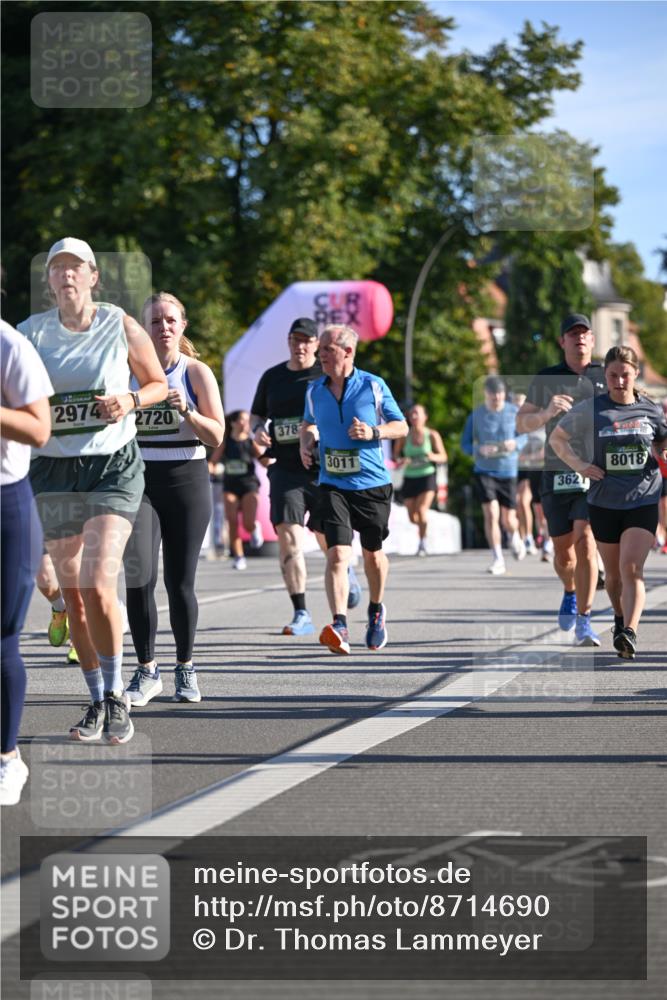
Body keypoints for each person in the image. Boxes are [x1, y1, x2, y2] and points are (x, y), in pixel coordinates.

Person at [18, 237, 168, 744]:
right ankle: (96, 696)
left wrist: (128, 399)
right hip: (54, 471)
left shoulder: (118, 323)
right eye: (57, 269)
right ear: (49, 280)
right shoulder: (30, 333)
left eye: (75, 268)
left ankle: (118, 696)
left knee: (100, 580)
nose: (66, 276)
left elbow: (158, 385)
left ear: (92, 276)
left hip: (113, 465)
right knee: (75, 597)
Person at [123, 292, 225, 706]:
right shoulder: (127, 372)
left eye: (170, 320)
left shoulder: (196, 372)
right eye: (154, 321)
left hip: (187, 477)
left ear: (182, 326)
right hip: (138, 478)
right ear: (143, 331)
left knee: (179, 581)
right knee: (139, 576)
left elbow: (217, 436)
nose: (162, 327)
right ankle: (147, 670)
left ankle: (185, 667)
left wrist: (188, 412)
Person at [550, 346, 667, 659]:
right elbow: (557, 440)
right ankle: (618, 619)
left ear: (635, 374)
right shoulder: (592, 409)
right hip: (604, 502)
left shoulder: (651, 409)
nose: (619, 380)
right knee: (613, 577)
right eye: (613, 375)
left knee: (632, 568)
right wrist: (580, 466)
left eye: (625, 374)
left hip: (643, 498)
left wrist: (663, 452)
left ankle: (629, 630)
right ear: (606, 376)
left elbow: (662, 441)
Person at [251, 317, 362, 637]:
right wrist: (258, 430)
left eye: (306, 341)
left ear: (317, 345)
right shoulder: (272, 377)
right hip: (284, 469)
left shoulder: (325, 376)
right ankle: (301, 611)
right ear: (288, 342)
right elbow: (257, 414)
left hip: (323, 470)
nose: (299, 346)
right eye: (294, 340)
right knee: (288, 538)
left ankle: (345, 568)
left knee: (326, 539)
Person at [300, 323, 407, 654]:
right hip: (333, 483)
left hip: (372, 485)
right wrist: (306, 442)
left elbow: (400, 425)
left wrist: (374, 432)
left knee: (373, 554)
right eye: (320, 352)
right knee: (337, 554)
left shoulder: (373, 386)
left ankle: (376, 610)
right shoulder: (315, 390)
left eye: (327, 351)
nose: (321, 357)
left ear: (348, 352)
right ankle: (340, 624)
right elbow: (308, 423)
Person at [516, 314, 607, 645]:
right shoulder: (547, 378)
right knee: (563, 554)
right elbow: (521, 423)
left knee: (586, 541)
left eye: (585, 333)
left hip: (595, 473)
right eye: (573, 334)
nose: (579, 338)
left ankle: (585, 619)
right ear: (562, 341)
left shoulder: (603, 374)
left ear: (593, 340)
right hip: (556, 472)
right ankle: (570, 589)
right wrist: (545, 412)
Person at [1, 319, 53, 805]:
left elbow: (40, 427)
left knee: (1, 639)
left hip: (6, 502)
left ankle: (7, 759)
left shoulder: (10, 346)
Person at [461, 376, 527, 575]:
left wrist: (515, 444)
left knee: (508, 520)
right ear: (486, 394)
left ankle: (515, 535)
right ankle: (498, 558)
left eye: (500, 393)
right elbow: (464, 444)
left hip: (508, 470)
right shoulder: (476, 415)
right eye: (492, 394)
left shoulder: (514, 412)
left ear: (504, 394)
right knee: (491, 513)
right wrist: (478, 449)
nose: (497, 397)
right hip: (484, 470)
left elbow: (524, 436)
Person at [209, 409, 263, 570]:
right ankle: (239, 556)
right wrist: (211, 468)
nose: (246, 423)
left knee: (247, 523)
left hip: (249, 485)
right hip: (230, 485)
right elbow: (212, 462)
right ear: (233, 423)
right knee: (232, 521)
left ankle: (254, 528)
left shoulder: (250, 442)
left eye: (247, 420)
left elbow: (263, 459)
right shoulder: (226, 443)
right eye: (243, 420)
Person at [393, 403, 447, 556]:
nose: (414, 417)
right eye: (412, 414)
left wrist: (433, 456)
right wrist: (401, 460)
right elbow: (396, 455)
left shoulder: (432, 435)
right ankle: (424, 527)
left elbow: (443, 456)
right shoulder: (405, 436)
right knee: (412, 517)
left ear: (425, 417)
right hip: (410, 477)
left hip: (427, 476)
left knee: (422, 510)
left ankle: (422, 543)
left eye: (417, 413)